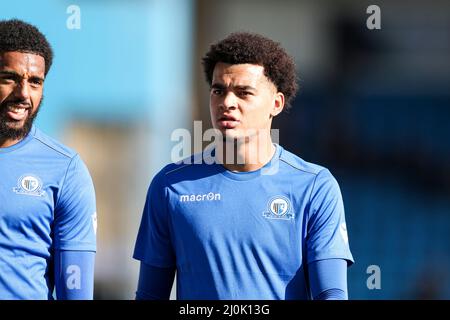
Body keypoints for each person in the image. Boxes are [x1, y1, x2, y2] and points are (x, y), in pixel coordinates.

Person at [134, 32, 354, 300]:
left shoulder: (315, 187)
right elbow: (149, 295)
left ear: (276, 103)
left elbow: (331, 294)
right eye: (218, 90)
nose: (227, 103)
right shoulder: (169, 185)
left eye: (243, 93)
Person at [0, 19, 96, 299]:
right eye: (9, 78)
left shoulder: (66, 170)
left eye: (35, 82)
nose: (23, 94)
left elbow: (76, 290)